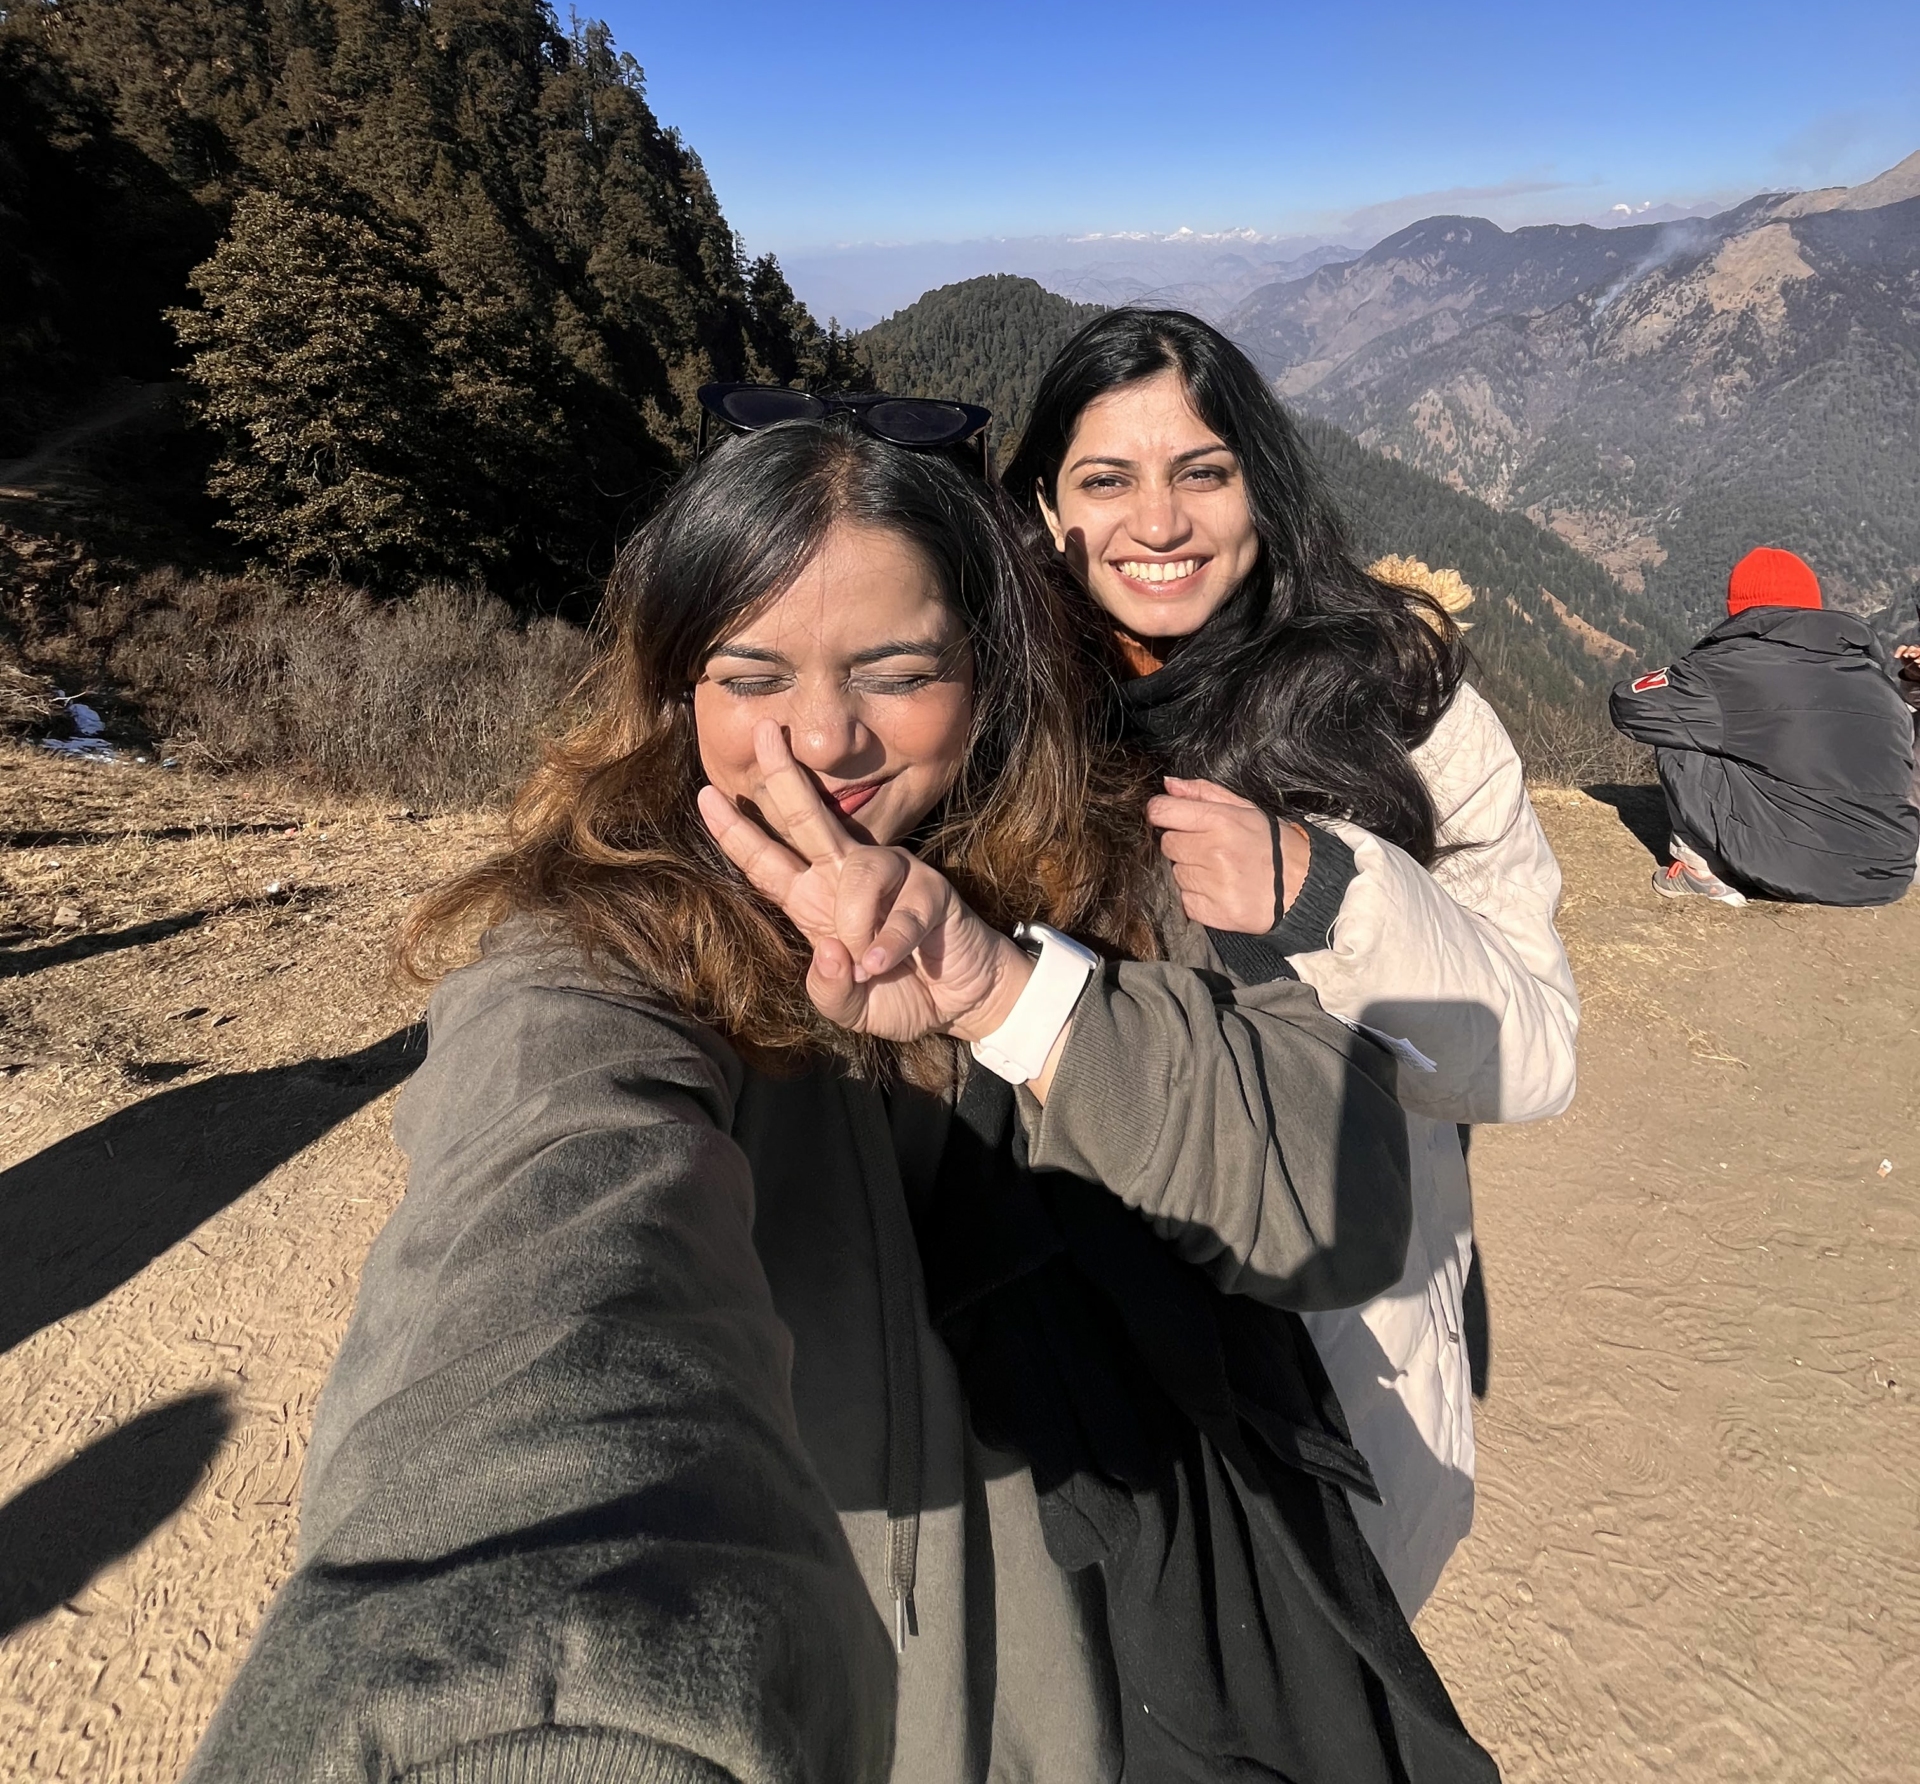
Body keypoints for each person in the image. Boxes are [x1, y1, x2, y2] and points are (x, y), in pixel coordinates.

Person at [186, 402, 1498, 1784]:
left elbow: (1335, 1202)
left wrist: (1009, 991)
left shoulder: (1127, 873)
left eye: (896, 669)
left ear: (986, 672)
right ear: (676, 685)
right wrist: (503, 1704)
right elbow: (541, 1246)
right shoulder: (600, 944)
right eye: (751, 675)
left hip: (1158, 1683)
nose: (822, 736)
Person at [1004, 309, 1578, 1619]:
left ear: (1262, 480)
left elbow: (1537, 1054)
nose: (1160, 521)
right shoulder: (992, 721)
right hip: (1079, 1389)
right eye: (1107, 479)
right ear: (1045, 507)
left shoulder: (1404, 714)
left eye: (1202, 471)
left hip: (1343, 1373)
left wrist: (1325, 894)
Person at [1609, 545, 1920, 909]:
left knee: (1675, 720)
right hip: (1889, 871)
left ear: (1739, 608)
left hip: (1793, 869)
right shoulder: (1874, 677)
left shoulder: (1723, 670)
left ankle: (1700, 870)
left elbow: (1629, 703)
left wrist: (1685, 675)